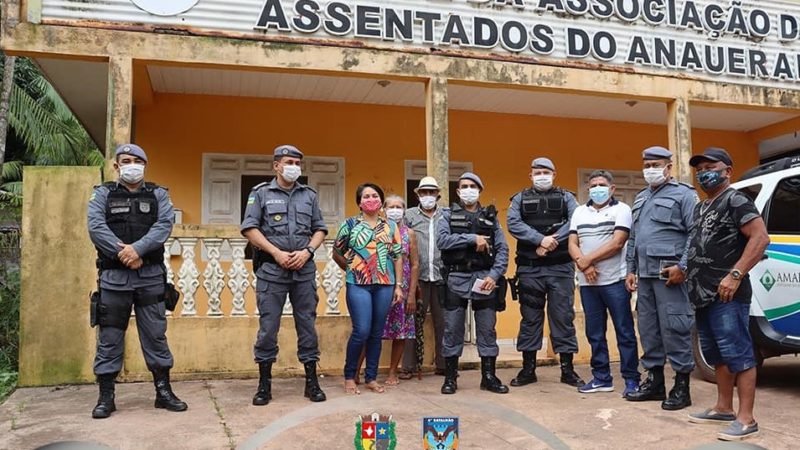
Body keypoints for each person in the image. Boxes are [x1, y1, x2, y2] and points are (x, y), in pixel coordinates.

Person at [87, 143, 187, 419]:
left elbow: (164, 226)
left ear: (144, 164)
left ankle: (163, 392)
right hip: (114, 278)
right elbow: (96, 227)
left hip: (150, 277)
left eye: (137, 160)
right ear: (117, 166)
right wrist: (125, 253)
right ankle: (106, 397)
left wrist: (138, 249)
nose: (132, 165)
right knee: (109, 338)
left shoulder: (159, 195)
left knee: (155, 335)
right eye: (126, 160)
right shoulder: (103, 194)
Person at [686, 148, 769, 441]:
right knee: (717, 354)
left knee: (739, 354)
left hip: (727, 294)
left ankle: (746, 419)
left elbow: (760, 238)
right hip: (702, 294)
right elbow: (699, 245)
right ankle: (723, 407)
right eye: (699, 169)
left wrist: (735, 275)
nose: (704, 173)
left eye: (711, 167)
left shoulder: (736, 200)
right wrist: (681, 269)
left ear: (727, 171)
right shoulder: (701, 207)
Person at [241, 144, 327, 406]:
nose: (294, 168)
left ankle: (311, 381)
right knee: (268, 329)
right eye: (289, 162)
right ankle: (264, 384)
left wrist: (308, 252)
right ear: (276, 165)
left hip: (303, 271)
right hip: (271, 271)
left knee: (307, 327)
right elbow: (249, 228)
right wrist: (276, 252)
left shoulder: (309, 195)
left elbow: (320, 229)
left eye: (297, 163)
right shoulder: (261, 194)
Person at [625, 146, 696, 410]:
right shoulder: (641, 198)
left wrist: (684, 266)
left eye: (656, 165)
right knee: (649, 329)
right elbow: (634, 238)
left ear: (669, 167)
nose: (650, 170)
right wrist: (630, 269)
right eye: (646, 165)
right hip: (644, 276)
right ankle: (655, 383)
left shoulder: (684, 195)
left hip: (670, 275)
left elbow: (695, 233)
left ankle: (681, 386)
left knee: (676, 327)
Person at [507, 157, 585, 388]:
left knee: (562, 317)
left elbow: (576, 220)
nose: (542, 176)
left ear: (554, 174)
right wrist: (539, 239)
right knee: (530, 319)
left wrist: (552, 241)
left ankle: (567, 370)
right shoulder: (519, 199)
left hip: (560, 268)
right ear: (530, 176)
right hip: (530, 269)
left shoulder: (566, 197)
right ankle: (528, 369)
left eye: (546, 172)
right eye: (537, 172)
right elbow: (513, 224)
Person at [568, 170, 640, 396]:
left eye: (601, 184)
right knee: (594, 333)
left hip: (615, 281)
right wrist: (585, 265)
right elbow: (572, 242)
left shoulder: (622, 210)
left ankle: (631, 378)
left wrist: (587, 260)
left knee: (624, 331)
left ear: (612, 189)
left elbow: (618, 242)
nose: (597, 188)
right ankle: (601, 377)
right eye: (593, 185)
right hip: (588, 284)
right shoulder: (579, 212)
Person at [438, 172, 510, 395]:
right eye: (464, 186)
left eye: (473, 186)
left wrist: (494, 275)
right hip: (456, 278)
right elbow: (442, 240)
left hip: (484, 279)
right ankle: (451, 377)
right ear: (458, 191)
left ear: (480, 190)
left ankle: (488, 376)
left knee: (487, 329)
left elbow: (503, 249)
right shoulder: (447, 215)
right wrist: (472, 239)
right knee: (452, 329)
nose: (468, 189)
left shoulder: (491, 217)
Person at [333, 183, 404, 395]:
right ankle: (349, 376)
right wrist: (350, 268)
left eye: (374, 195)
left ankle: (371, 377)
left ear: (380, 201)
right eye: (366, 196)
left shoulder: (391, 226)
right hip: (358, 284)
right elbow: (337, 252)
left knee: (376, 332)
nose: (370, 199)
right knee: (361, 330)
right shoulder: (350, 224)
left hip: (385, 283)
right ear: (359, 202)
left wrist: (398, 285)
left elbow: (398, 256)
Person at [400, 177, 447, 379]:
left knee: (443, 323)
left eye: (431, 192)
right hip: (417, 279)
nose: (428, 196)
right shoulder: (409, 215)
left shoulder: (446, 215)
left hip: (441, 276)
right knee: (412, 321)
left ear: (438, 194)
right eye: (423, 192)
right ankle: (408, 366)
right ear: (417, 194)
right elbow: (403, 242)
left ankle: (444, 365)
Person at [380, 196, 419, 385]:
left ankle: (393, 371)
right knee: (369, 330)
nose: (395, 210)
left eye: (399, 207)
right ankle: (359, 371)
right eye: (391, 207)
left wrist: (411, 293)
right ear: (384, 209)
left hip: (402, 289)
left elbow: (415, 264)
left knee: (401, 331)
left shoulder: (409, 234)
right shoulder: (376, 231)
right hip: (379, 286)